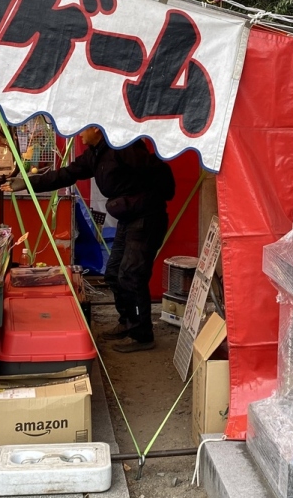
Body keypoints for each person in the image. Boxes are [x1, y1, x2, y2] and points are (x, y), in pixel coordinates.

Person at [10, 127, 175, 352]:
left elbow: (159, 172)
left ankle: (142, 335)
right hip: (127, 218)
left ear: (97, 129)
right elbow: (66, 174)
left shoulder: (124, 148)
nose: (79, 134)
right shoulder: (95, 154)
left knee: (131, 275)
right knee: (113, 273)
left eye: (83, 129)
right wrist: (28, 183)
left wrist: (146, 199)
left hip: (147, 217)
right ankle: (127, 322)